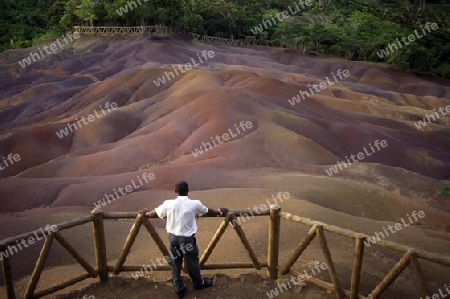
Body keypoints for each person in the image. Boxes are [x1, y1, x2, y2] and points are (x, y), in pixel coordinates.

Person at [140, 181, 228, 298]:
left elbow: (154, 213)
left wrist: (146, 214)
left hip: (173, 238)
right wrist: (220, 211)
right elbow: (209, 211)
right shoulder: (194, 204)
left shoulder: (169, 204)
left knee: (175, 263)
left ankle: (179, 288)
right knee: (192, 262)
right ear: (188, 190)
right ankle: (198, 283)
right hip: (187, 240)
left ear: (175, 191)